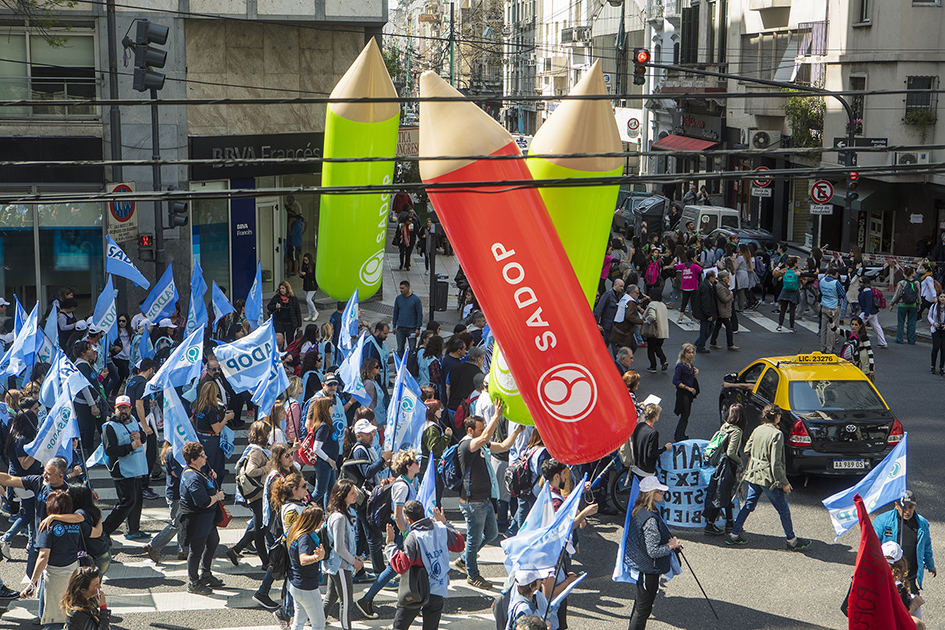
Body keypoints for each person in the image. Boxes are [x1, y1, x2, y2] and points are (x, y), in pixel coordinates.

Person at [455, 402, 521, 590]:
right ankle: (473, 574)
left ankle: (465, 559)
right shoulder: (467, 445)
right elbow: (485, 437)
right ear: (470, 430)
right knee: (474, 539)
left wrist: (517, 432)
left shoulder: (482, 445)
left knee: (491, 534)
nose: (485, 432)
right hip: (472, 503)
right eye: (480, 429)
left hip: (484, 500)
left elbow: (503, 446)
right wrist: (496, 415)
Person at [727, 404, 811, 551]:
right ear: (777, 417)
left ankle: (734, 535)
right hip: (768, 478)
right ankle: (792, 541)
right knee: (783, 509)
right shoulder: (777, 435)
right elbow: (775, 463)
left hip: (754, 474)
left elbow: (747, 449)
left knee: (748, 505)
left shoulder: (757, 429)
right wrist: (784, 482)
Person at [356, 449, 422, 617]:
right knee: (394, 567)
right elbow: (398, 515)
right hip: (403, 533)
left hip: (405, 532)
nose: (418, 464)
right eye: (415, 462)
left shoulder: (408, 482)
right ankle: (367, 599)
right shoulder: (402, 486)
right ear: (408, 466)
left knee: (405, 567)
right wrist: (407, 535)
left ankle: (415, 601)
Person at [385, 500, 465, 630]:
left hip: (417, 588)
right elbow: (460, 545)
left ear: (408, 519)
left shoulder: (413, 537)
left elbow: (401, 566)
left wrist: (390, 545)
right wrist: (445, 523)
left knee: (399, 626)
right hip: (438, 587)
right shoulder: (441, 528)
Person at [24, 490, 88, 629]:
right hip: (73, 571)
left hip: (54, 575)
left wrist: (32, 582)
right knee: (69, 612)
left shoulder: (47, 526)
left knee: (53, 617)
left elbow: (43, 556)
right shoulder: (75, 523)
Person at [625, 476, 682, 630]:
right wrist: (671, 545)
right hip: (649, 570)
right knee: (643, 610)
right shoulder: (650, 519)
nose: (663, 493)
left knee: (640, 607)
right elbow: (653, 551)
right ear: (651, 494)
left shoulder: (640, 510)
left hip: (642, 566)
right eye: (660, 491)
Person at [178, 441, 227, 595]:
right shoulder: (192, 477)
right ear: (193, 459)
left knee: (213, 542)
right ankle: (193, 582)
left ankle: (205, 573)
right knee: (196, 550)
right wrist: (217, 497)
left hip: (207, 519)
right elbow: (203, 501)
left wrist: (212, 479)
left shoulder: (197, 471)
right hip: (198, 520)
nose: (205, 457)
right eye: (202, 455)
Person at [101, 395, 148, 540]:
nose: (123, 411)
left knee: (136, 500)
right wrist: (131, 446)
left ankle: (133, 530)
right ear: (115, 409)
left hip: (136, 467)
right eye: (120, 408)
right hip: (121, 470)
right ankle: (105, 529)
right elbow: (110, 450)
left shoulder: (133, 420)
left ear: (130, 409)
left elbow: (144, 438)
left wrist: (140, 436)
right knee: (127, 502)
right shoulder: (109, 427)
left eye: (125, 408)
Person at [227, 421, 272, 567]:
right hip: (257, 495)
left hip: (259, 494)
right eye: (268, 432)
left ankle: (235, 550)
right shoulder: (256, 451)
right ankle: (266, 562)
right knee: (260, 530)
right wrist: (266, 468)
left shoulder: (257, 449)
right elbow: (250, 471)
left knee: (260, 527)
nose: (270, 435)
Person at [874, 490, 937, 594]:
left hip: (910, 577)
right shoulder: (882, 521)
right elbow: (872, 546)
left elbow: (926, 547)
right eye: (904, 507)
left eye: (910, 507)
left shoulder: (922, 523)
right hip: (889, 576)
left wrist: (930, 566)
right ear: (896, 505)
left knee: (911, 607)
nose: (907, 511)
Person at [323, 479, 363, 630]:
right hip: (341, 565)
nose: (356, 494)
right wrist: (354, 561)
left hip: (338, 564)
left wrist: (354, 558)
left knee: (331, 596)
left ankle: (317, 621)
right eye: (352, 493)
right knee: (346, 602)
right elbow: (339, 547)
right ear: (343, 496)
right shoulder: (339, 517)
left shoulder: (344, 513)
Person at [702, 404, 746, 536]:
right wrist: (740, 461)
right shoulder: (737, 431)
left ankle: (730, 523)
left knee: (724, 492)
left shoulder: (725, 426)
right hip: (728, 466)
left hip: (720, 464)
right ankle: (710, 524)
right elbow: (731, 452)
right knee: (723, 494)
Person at [286, 504, 328, 630]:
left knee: (299, 622)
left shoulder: (295, 531)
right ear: (313, 522)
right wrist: (317, 558)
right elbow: (303, 559)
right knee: (319, 625)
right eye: (321, 519)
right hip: (307, 587)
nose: (323, 522)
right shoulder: (306, 537)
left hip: (295, 584)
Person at [144, 441, 186, 564]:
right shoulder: (172, 452)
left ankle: (183, 551)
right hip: (176, 494)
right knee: (177, 524)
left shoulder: (173, 450)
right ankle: (154, 545)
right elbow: (177, 473)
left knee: (182, 523)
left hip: (177, 492)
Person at [193, 381, 234, 485]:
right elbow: (217, 429)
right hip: (211, 441)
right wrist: (226, 418)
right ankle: (215, 490)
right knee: (215, 468)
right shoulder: (210, 410)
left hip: (200, 437)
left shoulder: (197, 405)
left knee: (204, 467)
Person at [882, 541, 927, 630]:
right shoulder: (898, 588)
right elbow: (901, 616)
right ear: (901, 561)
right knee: (919, 624)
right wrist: (915, 603)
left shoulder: (872, 578)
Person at [629, 403, 672, 480]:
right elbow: (651, 454)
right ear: (655, 417)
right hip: (646, 470)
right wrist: (665, 448)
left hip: (636, 465)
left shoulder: (639, 425)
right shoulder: (653, 433)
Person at [61, 566, 109, 630]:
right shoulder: (78, 614)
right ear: (83, 590)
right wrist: (103, 608)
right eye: (96, 585)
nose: (99, 586)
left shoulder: (88, 601)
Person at [671, 343, 698, 442]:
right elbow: (675, 381)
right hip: (683, 394)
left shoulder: (690, 365)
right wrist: (688, 388)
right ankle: (679, 436)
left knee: (686, 415)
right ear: (684, 353)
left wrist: (695, 376)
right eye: (688, 353)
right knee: (685, 415)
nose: (691, 354)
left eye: (692, 352)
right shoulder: (680, 366)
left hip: (688, 394)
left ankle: (681, 434)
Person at [891, 266, 920, 344]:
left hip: (902, 304)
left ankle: (899, 339)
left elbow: (897, 294)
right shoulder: (916, 283)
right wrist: (919, 304)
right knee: (912, 322)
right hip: (913, 305)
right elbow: (918, 295)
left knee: (901, 322)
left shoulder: (902, 283)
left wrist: (892, 303)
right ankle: (911, 339)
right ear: (912, 273)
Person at [393, 281, 424, 356]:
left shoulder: (416, 299)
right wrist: (394, 325)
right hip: (400, 327)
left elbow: (419, 314)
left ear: (408, 288)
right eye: (400, 288)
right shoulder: (398, 299)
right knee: (400, 348)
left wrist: (418, 327)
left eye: (403, 288)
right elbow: (395, 312)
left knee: (412, 348)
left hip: (412, 328)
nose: (401, 290)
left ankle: (411, 364)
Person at [709, 269, 737, 351]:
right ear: (724, 279)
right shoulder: (721, 287)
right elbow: (724, 299)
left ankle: (713, 342)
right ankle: (730, 344)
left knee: (718, 326)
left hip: (722, 309)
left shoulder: (722, 286)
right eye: (728, 278)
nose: (729, 279)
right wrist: (731, 295)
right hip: (722, 310)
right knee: (728, 326)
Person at [691, 270, 717, 353]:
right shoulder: (705, 287)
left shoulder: (707, 285)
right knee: (705, 330)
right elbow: (706, 302)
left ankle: (699, 342)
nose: (715, 279)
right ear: (710, 278)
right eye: (714, 278)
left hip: (705, 312)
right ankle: (700, 345)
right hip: (705, 313)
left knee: (709, 327)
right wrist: (708, 314)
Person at [641, 293, 669, 373]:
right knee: (658, 347)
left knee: (651, 349)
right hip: (662, 331)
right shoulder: (663, 305)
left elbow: (652, 316)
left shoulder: (652, 304)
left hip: (653, 331)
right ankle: (663, 360)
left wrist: (647, 321)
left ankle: (653, 366)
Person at [593, 278, 624, 343]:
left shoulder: (620, 296)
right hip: (606, 325)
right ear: (615, 285)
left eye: (623, 286)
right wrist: (596, 323)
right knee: (605, 343)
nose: (622, 288)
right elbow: (599, 308)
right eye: (621, 286)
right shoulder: (608, 295)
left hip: (615, 326)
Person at [775, 256, 800, 332]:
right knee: (792, 310)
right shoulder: (798, 271)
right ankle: (791, 327)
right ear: (795, 263)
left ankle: (780, 325)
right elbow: (805, 278)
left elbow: (775, 273)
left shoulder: (785, 270)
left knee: (783, 309)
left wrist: (777, 267)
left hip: (785, 291)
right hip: (794, 292)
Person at [928, 290, 945, 374]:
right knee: (935, 348)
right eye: (941, 297)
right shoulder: (934, 306)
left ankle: (941, 367)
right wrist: (934, 323)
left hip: (944, 330)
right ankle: (933, 366)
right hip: (935, 329)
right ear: (938, 297)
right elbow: (929, 316)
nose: (942, 298)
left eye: (944, 297)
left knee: (943, 348)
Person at [299, 253, 319, 322]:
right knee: (308, 301)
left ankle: (315, 312)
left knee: (308, 299)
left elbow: (314, 277)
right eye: (304, 260)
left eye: (306, 260)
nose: (305, 261)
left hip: (312, 285)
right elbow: (305, 277)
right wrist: (302, 275)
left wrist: (306, 274)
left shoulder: (314, 266)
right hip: (306, 285)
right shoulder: (305, 266)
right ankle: (310, 314)